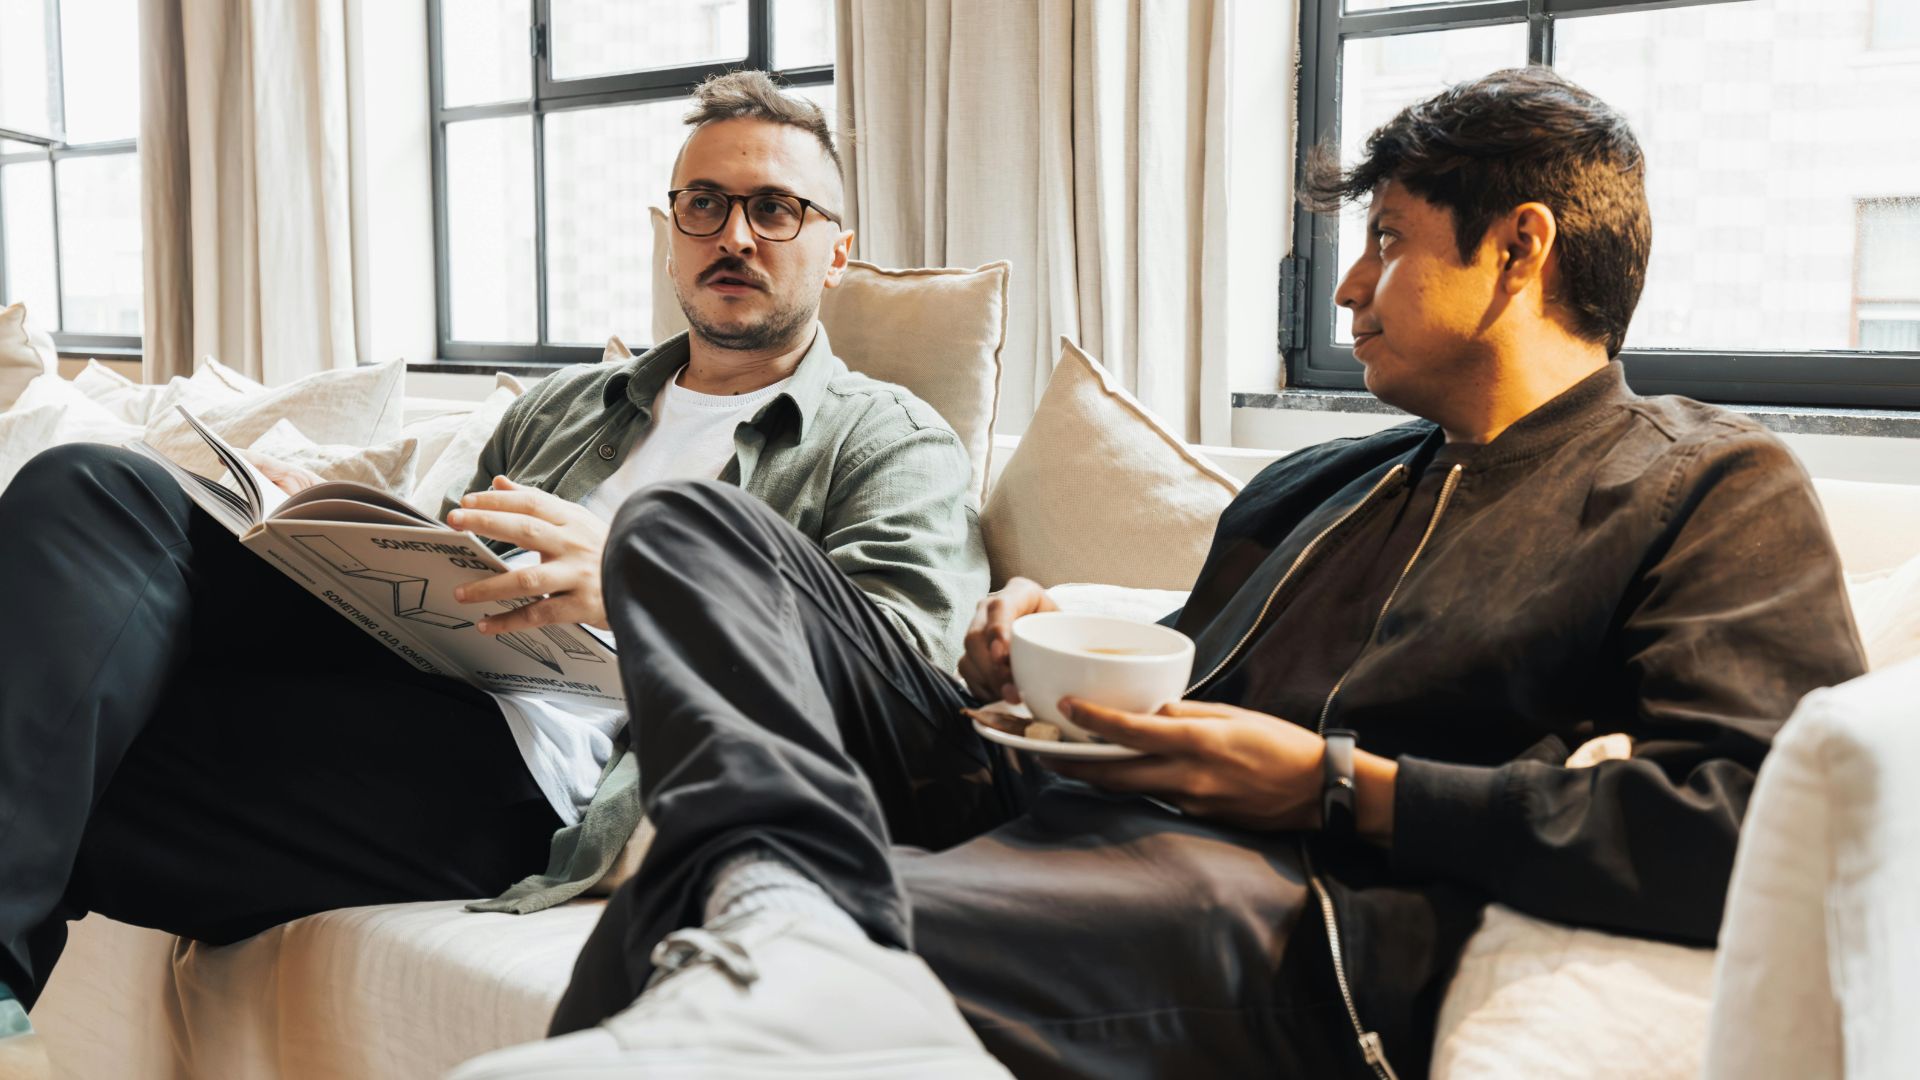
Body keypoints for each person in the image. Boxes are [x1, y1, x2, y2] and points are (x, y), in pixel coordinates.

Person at [448, 67, 1866, 1080]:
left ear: (1520, 249)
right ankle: (784, 884)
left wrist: (1337, 786)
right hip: (1046, 803)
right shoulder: (1327, 478)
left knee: (722, 898)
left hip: (1271, 899)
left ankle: (777, 895)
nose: (1350, 288)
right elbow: (1173, 679)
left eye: (1385, 241)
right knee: (683, 534)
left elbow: (1754, 825)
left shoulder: (1700, 485)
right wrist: (1024, 668)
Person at [0, 70, 984, 1077]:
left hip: (545, 778)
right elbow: (442, 569)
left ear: (836, 250)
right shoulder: (564, 406)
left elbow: (897, 682)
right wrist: (313, 526)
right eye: (705, 203)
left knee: (61, 758)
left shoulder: (888, 440)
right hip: (422, 681)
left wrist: (643, 589)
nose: (734, 235)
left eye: (774, 209)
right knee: (92, 489)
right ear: (672, 232)